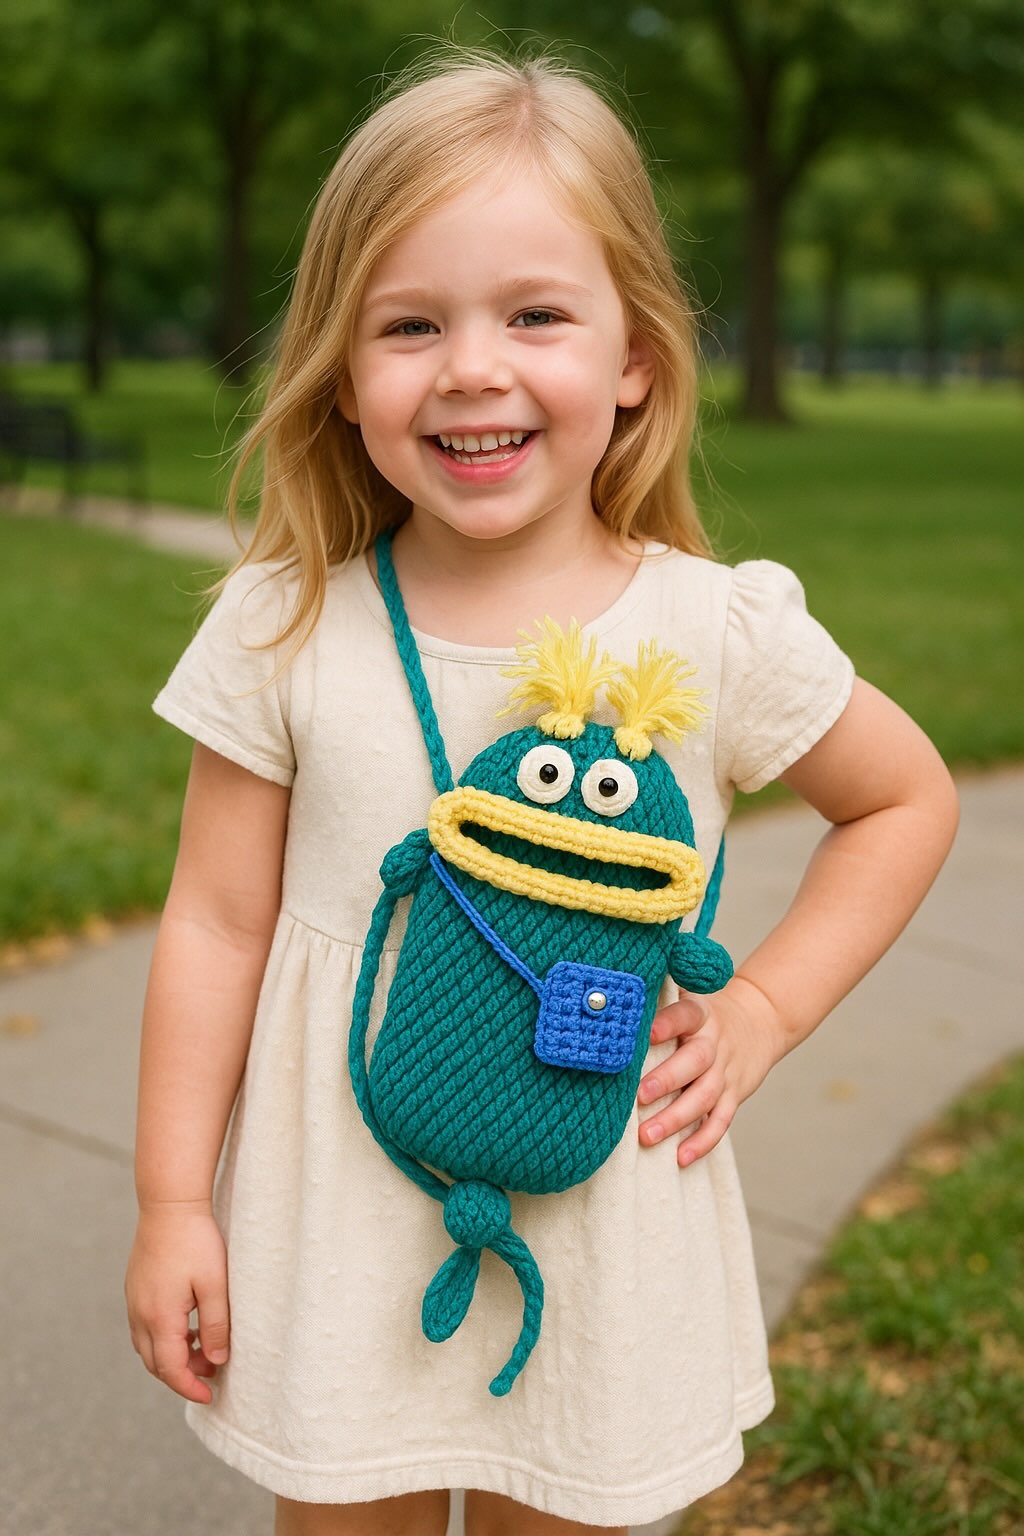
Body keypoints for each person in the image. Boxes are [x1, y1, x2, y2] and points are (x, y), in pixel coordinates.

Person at [124, 45, 958, 1536]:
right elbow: (215, 921)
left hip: (604, 1225)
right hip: (339, 1231)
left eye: (535, 314)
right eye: (410, 323)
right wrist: (175, 1202)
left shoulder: (709, 632)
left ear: (634, 353)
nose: (473, 367)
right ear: (341, 366)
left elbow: (902, 802)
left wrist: (763, 1012)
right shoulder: (284, 621)